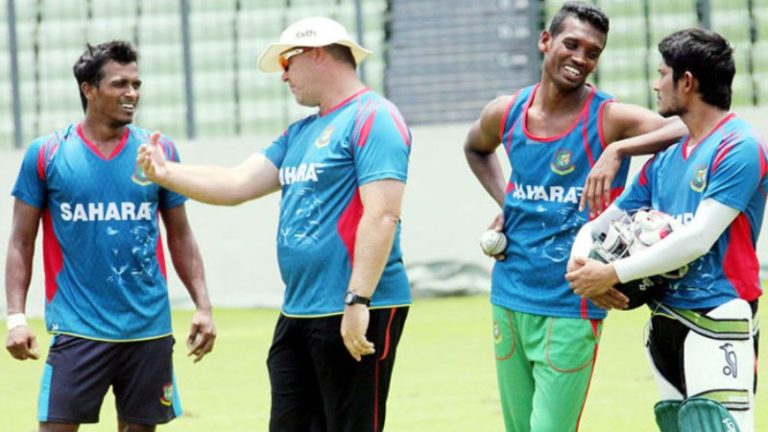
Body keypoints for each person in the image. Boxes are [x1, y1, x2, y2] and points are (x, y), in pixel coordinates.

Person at [137, 17, 411, 432]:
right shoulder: (299, 133)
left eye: (287, 62)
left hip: (353, 306)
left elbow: (383, 214)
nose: (283, 76)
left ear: (316, 53)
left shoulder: (375, 117)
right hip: (298, 310)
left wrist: (358, 302)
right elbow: (236, 183)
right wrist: (165, 173)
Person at [463, 2, 689, 431]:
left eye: (592, 52)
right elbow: (475, 147)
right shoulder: (507, 111)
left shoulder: (608, 117)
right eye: (571, 44)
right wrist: (506, 203)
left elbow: (686, 125)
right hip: (509, 294)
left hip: (573, 301)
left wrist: (618, 149)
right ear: (545, 40)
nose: (580, 58)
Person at [4, 40, 216, 432]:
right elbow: (21, 241)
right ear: (89, 89)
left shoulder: (157, 152)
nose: (132, 93)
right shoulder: (47, 153)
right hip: (77, 328)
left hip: (147, 328)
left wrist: (203, 305)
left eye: (136, 84)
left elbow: (181, 235)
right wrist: (16, 318)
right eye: (120, 84)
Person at [567, 28, 762, 432]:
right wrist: (582, 267)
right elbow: (598, 226)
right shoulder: (664, 161)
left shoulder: (739, 147)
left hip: (718, 312)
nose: (656, 85)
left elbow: (698, 238)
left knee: (718, 425)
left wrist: (612, 273)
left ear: (686, 82)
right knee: (676, 425)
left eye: (662, 74)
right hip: (663, 317)